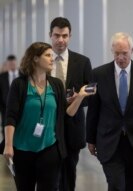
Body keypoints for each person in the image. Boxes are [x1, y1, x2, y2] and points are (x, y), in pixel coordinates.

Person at [3, 42, 95, 191]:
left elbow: (67, 113)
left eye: (52, 55)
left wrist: (80, 97)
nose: (52, 59)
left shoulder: (56, 84)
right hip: (22, 150)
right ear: (35, 59)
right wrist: (8, 145)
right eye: (48, 55)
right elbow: (10, 116)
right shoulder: (19, 84)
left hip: (50, 149)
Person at [86, 32, 133, 191]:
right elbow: (94, 109)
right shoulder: (98, 74)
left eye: (124, 53)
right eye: (116, 53)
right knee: (117, 186)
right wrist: (90, 139)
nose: (120, 57)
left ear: (132, 50)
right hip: (110, 141)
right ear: (112, 51)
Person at [49, 17, 92, 191]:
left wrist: (78, 98)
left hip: (73, 127)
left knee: (69, 174)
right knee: (49, 174)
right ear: (50, 35)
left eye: (65, 36)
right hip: (47, 126)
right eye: (57, 35)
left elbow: (91, 94)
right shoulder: (43, 60)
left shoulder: (82, 62)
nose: (61, 40)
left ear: (70, 36)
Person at [0, 55, 19, 153]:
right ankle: (7, 149)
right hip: (6, 110)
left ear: (16, 62)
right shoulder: (2, 77)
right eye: (10, 63)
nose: (12, 65)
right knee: (6, 130)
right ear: (7, 64)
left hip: (21, 109)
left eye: (13, 62)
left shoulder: (23, 75)